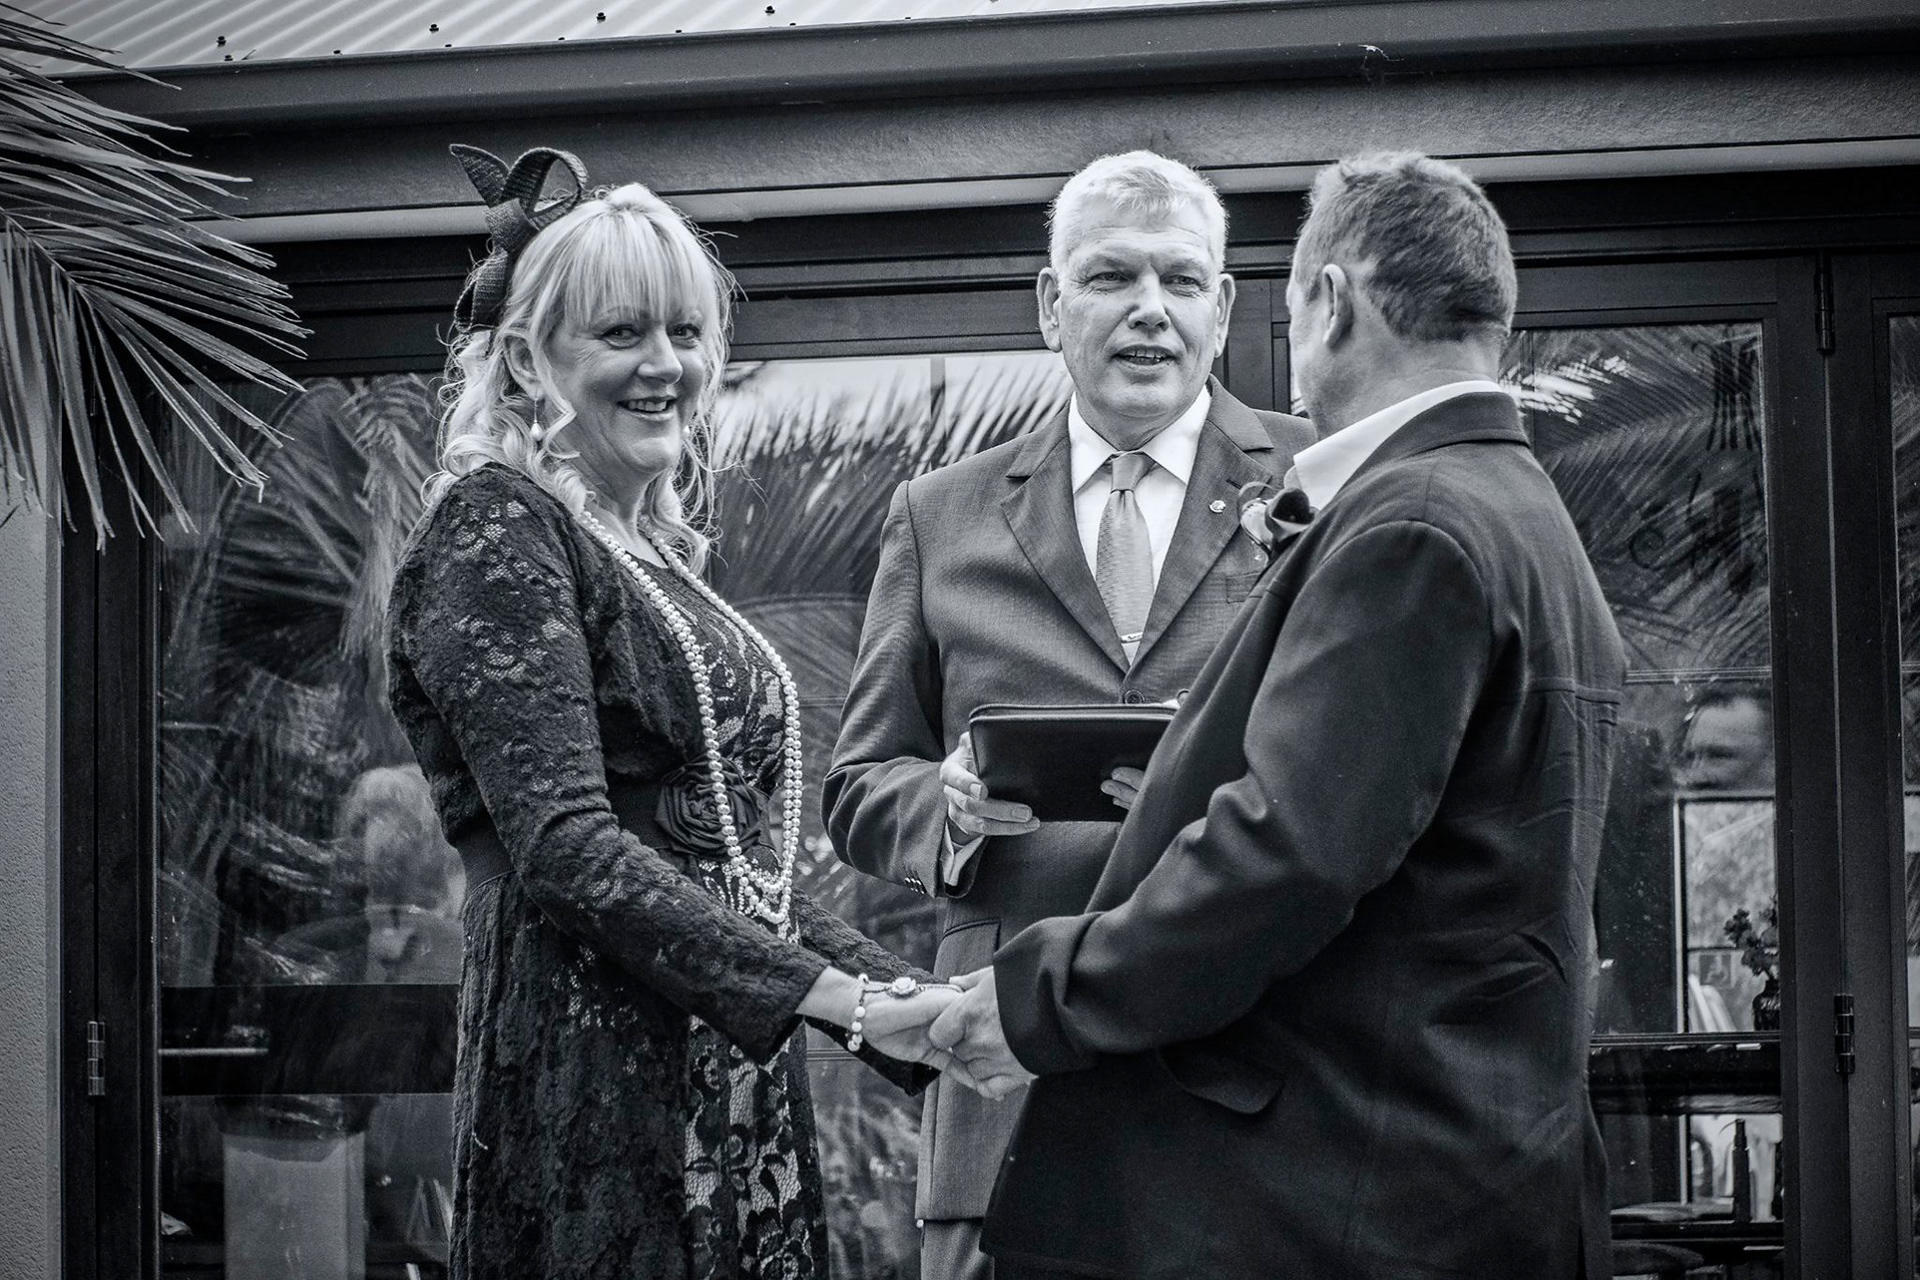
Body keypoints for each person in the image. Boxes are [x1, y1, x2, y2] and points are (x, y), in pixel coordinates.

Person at [932, 152, 1628, 1279]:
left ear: (1332, 301)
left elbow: (1286, 855)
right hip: (1458, 1171)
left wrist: (1041, 1001)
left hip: (1354, 1193)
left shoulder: (1413, 525)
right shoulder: (1519, 508)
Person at [385, 144, 960, 1280]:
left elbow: (730, 865)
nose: (666, 365)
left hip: (730, 1060)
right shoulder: (495, 523)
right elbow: (564, 843)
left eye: (687, 333)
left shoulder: (647, 550)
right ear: (525, 359)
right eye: (621, 333)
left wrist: (914, 1009)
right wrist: (835, 996)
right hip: (595, 1063)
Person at [823, 149, 1316, 1280]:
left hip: (1257, 1060)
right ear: (1052, 304)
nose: (1150, 309)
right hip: (1002, 1071)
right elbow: (858, 783)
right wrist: (943, 805)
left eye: (1180, 281)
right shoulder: (938, 515)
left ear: (1223, 307)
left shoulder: (1314, 482)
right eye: (1110, 277)